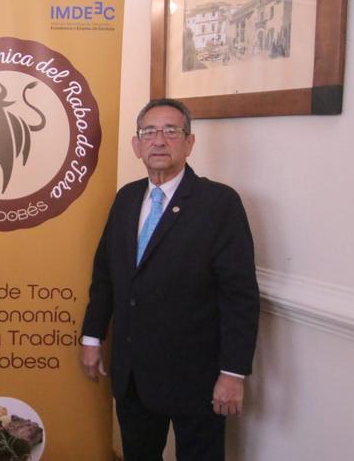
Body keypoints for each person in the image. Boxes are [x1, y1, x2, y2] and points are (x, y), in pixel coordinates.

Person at [80, 98, 259, 460]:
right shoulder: (127, 198)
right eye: (149, 132)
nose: (159, 141)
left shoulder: (219, 203)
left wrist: (233, 373)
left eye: (171, 131)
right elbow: (106, 277)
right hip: (133, 377)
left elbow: (239, 296)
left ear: (189, 142)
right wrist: (92, 336)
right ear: (137, 144)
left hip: (197, 379)